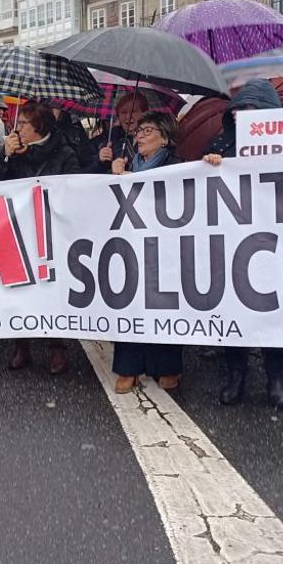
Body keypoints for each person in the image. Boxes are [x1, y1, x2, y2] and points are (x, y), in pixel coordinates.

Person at [203, 79, 283, 407]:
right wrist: (211, 163)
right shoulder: (221, 142)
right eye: (240, 110)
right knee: (236, 308)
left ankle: (275, 375)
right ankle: (236, 374)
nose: (244, 116)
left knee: (274, 309)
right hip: (234, 242)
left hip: (277, 241)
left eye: (252, 110)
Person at [0, 101, 79, 374]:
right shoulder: (13, 152)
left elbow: (74, 187)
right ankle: (22, 345)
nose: (16, 128)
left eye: (22, 124)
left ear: (38, 127)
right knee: (20, 286)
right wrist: (6, 157)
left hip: (51, 230)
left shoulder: (65, 153)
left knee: (51, 286)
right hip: (20, 229)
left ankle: (56, 346)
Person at [109, 111, 186, 392]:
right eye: (139, 130)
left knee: (163, 303)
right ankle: (128, 368)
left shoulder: (179, 166)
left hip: (164, 246)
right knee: (128, 302)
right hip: (129, 244)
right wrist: (111, 173)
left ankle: (166, 366)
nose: (139, 136)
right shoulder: (126, 163)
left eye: (148, 131)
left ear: (165, 139)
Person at [87, 92, 148, 174]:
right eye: (123, 112)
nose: (128, 117)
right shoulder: (110, 139)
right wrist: (100, 161)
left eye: (133, 111)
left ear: (144, 113)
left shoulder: (153, 138)